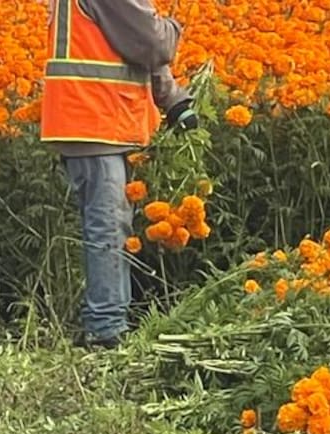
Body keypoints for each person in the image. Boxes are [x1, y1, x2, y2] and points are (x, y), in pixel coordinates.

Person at [40, 0, 198, 349]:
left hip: (93, 119)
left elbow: (131, 46)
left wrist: (172, 99)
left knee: (111, 225)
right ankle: (105, 332)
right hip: (95, 119)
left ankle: (110, 323)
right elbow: (152, 43)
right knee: (108, 228)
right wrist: (173, 27)